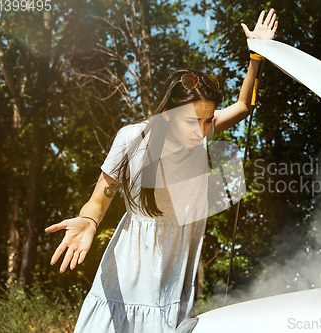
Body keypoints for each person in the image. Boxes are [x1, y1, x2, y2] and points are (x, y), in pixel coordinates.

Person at [44, 8, 278, 333]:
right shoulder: (132, 139)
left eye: (208, 120)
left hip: (174, 271)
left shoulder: (203, 132)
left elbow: (243, 106)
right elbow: (99, 198)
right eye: (192, 122)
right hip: (128, 274)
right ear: (166, 114)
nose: (202, 130)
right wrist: (88, 220)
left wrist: (257, 55)